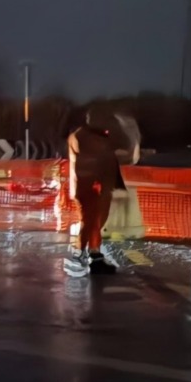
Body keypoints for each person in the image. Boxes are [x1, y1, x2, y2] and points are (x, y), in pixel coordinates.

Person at [66, 108, 123, 275]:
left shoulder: (88, 136)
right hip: (91, 186)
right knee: (90, 220)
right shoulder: (86, 137)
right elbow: (97, 159)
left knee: (95, 222)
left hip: (94, 186)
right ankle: (79, 255)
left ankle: (94, 254)